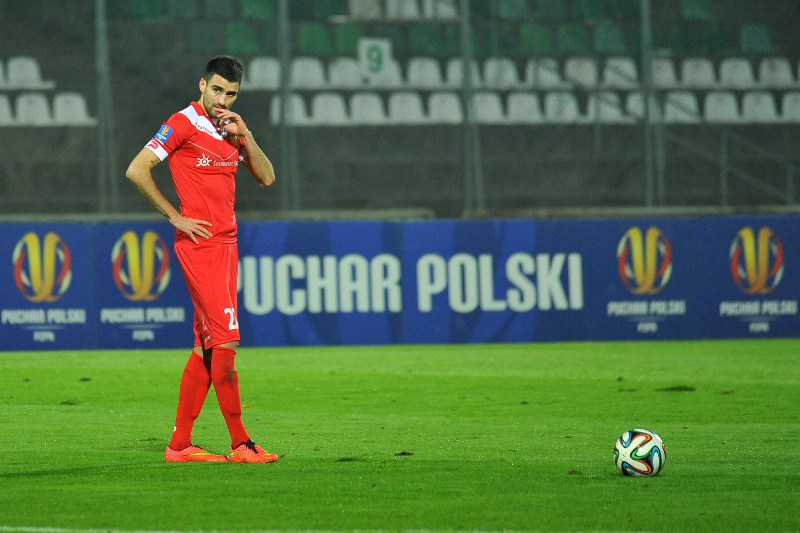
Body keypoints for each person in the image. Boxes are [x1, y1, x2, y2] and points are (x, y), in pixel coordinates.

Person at [126, 55, 277, 463]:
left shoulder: (230, 128)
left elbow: (266, 177)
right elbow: (137, 170)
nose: (223, 100)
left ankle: (180, 446)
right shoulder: (182, 123)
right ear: (202, 85)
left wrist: (247, 136)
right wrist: (175, 216)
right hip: (201, 247)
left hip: (227, 246)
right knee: (226, 344)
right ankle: (241, 443)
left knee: (206, 347)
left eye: (231, 93)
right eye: (217, 90)